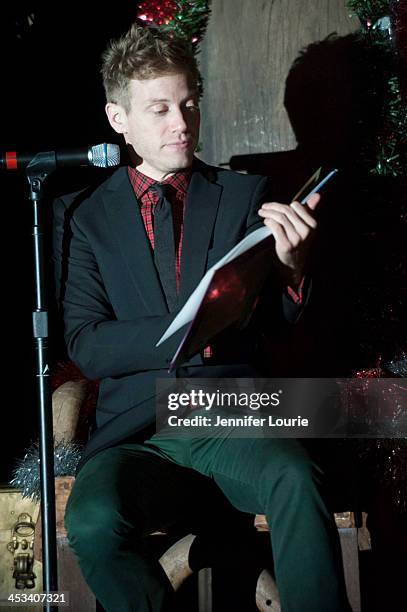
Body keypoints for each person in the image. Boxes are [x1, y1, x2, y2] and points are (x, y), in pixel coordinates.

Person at [53, 23, 351, 612]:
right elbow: (88, 343)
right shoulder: (80, 215)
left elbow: (273, 325)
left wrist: (291, 269)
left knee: (294, 476)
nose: (181, 124)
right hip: (136, 434)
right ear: (119, 120)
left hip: (229, 416)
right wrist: (187, 331)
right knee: (91, 521)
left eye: (189, 103)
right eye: (159, 109)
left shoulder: (245, 195)